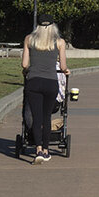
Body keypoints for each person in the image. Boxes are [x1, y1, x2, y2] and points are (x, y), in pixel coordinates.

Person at [20, 20, 68, 164]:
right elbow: (63, 65)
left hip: (34, 82)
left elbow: (24, 64)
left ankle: (38, 149)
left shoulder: (29, 39)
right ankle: (46, 150)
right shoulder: (59, 42)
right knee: (46, 117)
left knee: (36, 117)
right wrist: (65, 70)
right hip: (50, 83)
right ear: (53, 27)